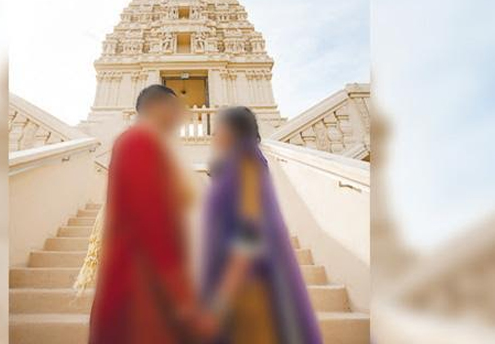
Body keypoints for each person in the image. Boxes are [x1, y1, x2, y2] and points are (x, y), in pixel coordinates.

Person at [89, 84, 213, 344]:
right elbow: (150, 218)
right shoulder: (138, 142)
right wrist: (180, 290)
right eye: (174, 109)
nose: (181, 117)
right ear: (156, 108)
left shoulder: (147, 145)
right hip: (141, 281)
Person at [201, 107, 322, 344]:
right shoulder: (237, 164)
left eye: (218, 129)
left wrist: (225, 293)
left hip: (249, 288)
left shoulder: (246, 163)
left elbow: (249, 230)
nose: (213, 135)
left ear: (234, 130)